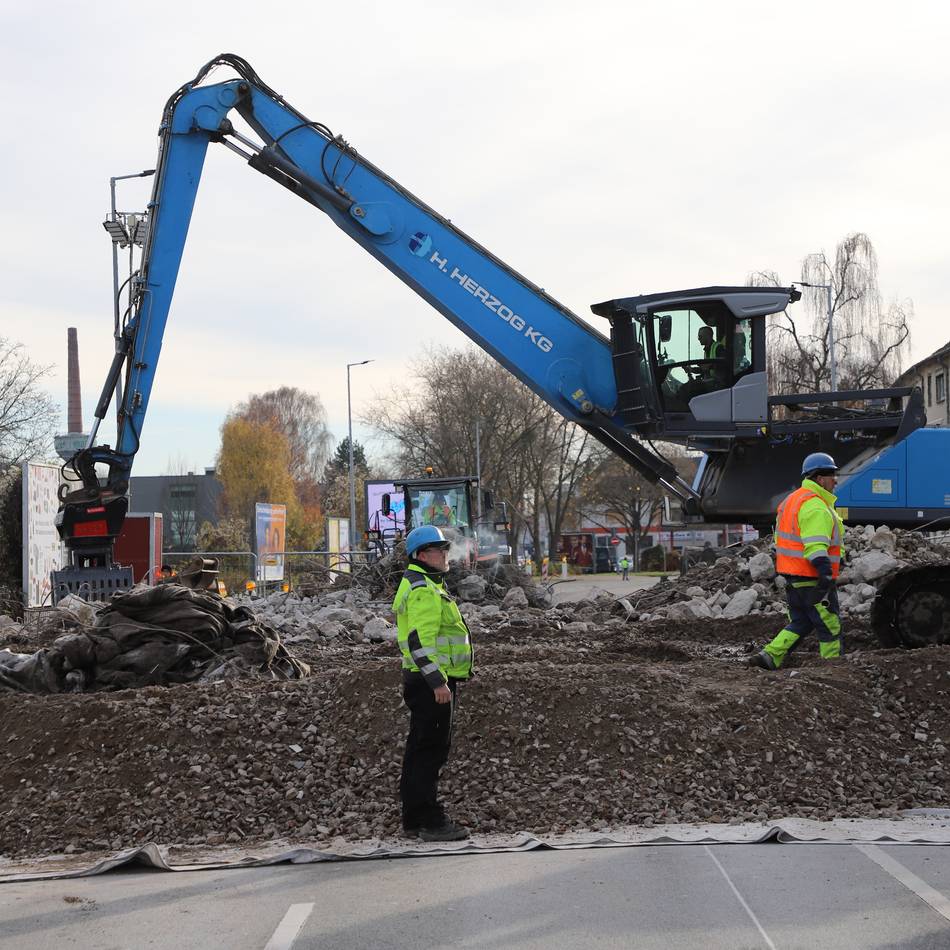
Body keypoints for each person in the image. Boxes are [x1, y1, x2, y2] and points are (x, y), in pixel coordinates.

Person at [393, 525, 474, 841]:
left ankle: (415, 818)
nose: (446, 554)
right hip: (431, 684)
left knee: (420, 749)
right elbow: (419, 642)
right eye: (440, 549)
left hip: (424, 681)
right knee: (429, 751)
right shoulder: (425, 590)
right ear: (423, 555)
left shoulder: (422, 583)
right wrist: (439, 682)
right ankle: (429, 821)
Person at [749, 453, 845, 670]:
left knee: (802, 621)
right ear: (820, 478)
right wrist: (825, 574)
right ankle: (833, 670)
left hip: (793, 577)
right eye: (832, 474)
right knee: (829, 625)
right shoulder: (816, 506)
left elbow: (784, 541)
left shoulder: (791, 501)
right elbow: (815, 546)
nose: (835, 479)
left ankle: (770, 656)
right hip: (812, 577)